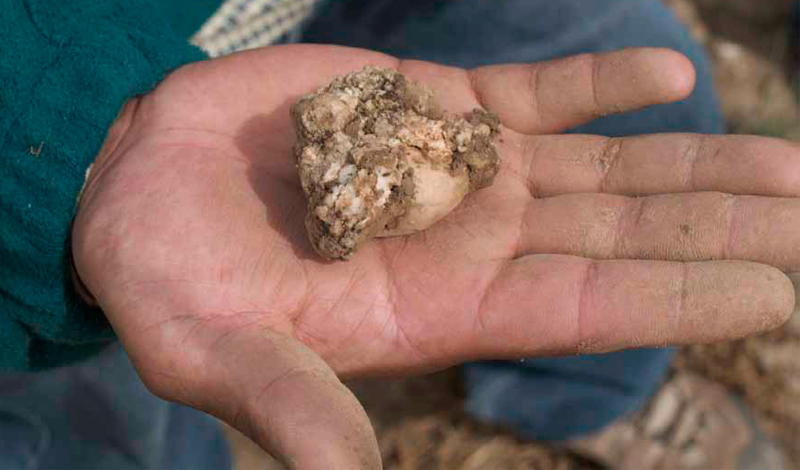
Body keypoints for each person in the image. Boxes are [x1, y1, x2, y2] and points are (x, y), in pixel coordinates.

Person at [1, 0, 798, 469]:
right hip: (53, 140)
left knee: (615, 37)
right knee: (116, 430)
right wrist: (84, 145)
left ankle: (589, 395)